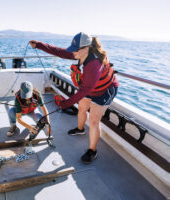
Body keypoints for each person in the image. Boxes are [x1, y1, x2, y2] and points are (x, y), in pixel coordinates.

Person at [30, 32, 119, 163]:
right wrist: (39, 45)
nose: (73, 54)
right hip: (90, 86)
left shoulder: (94, 64)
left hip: (105, 90)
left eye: (75, 51)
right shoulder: (81, 53)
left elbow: (84, 90)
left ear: (85, 48)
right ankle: (80, 129)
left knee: (94, 121)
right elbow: (60, 52)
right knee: (82, 108)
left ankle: (92, 150)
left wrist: (65, 104)